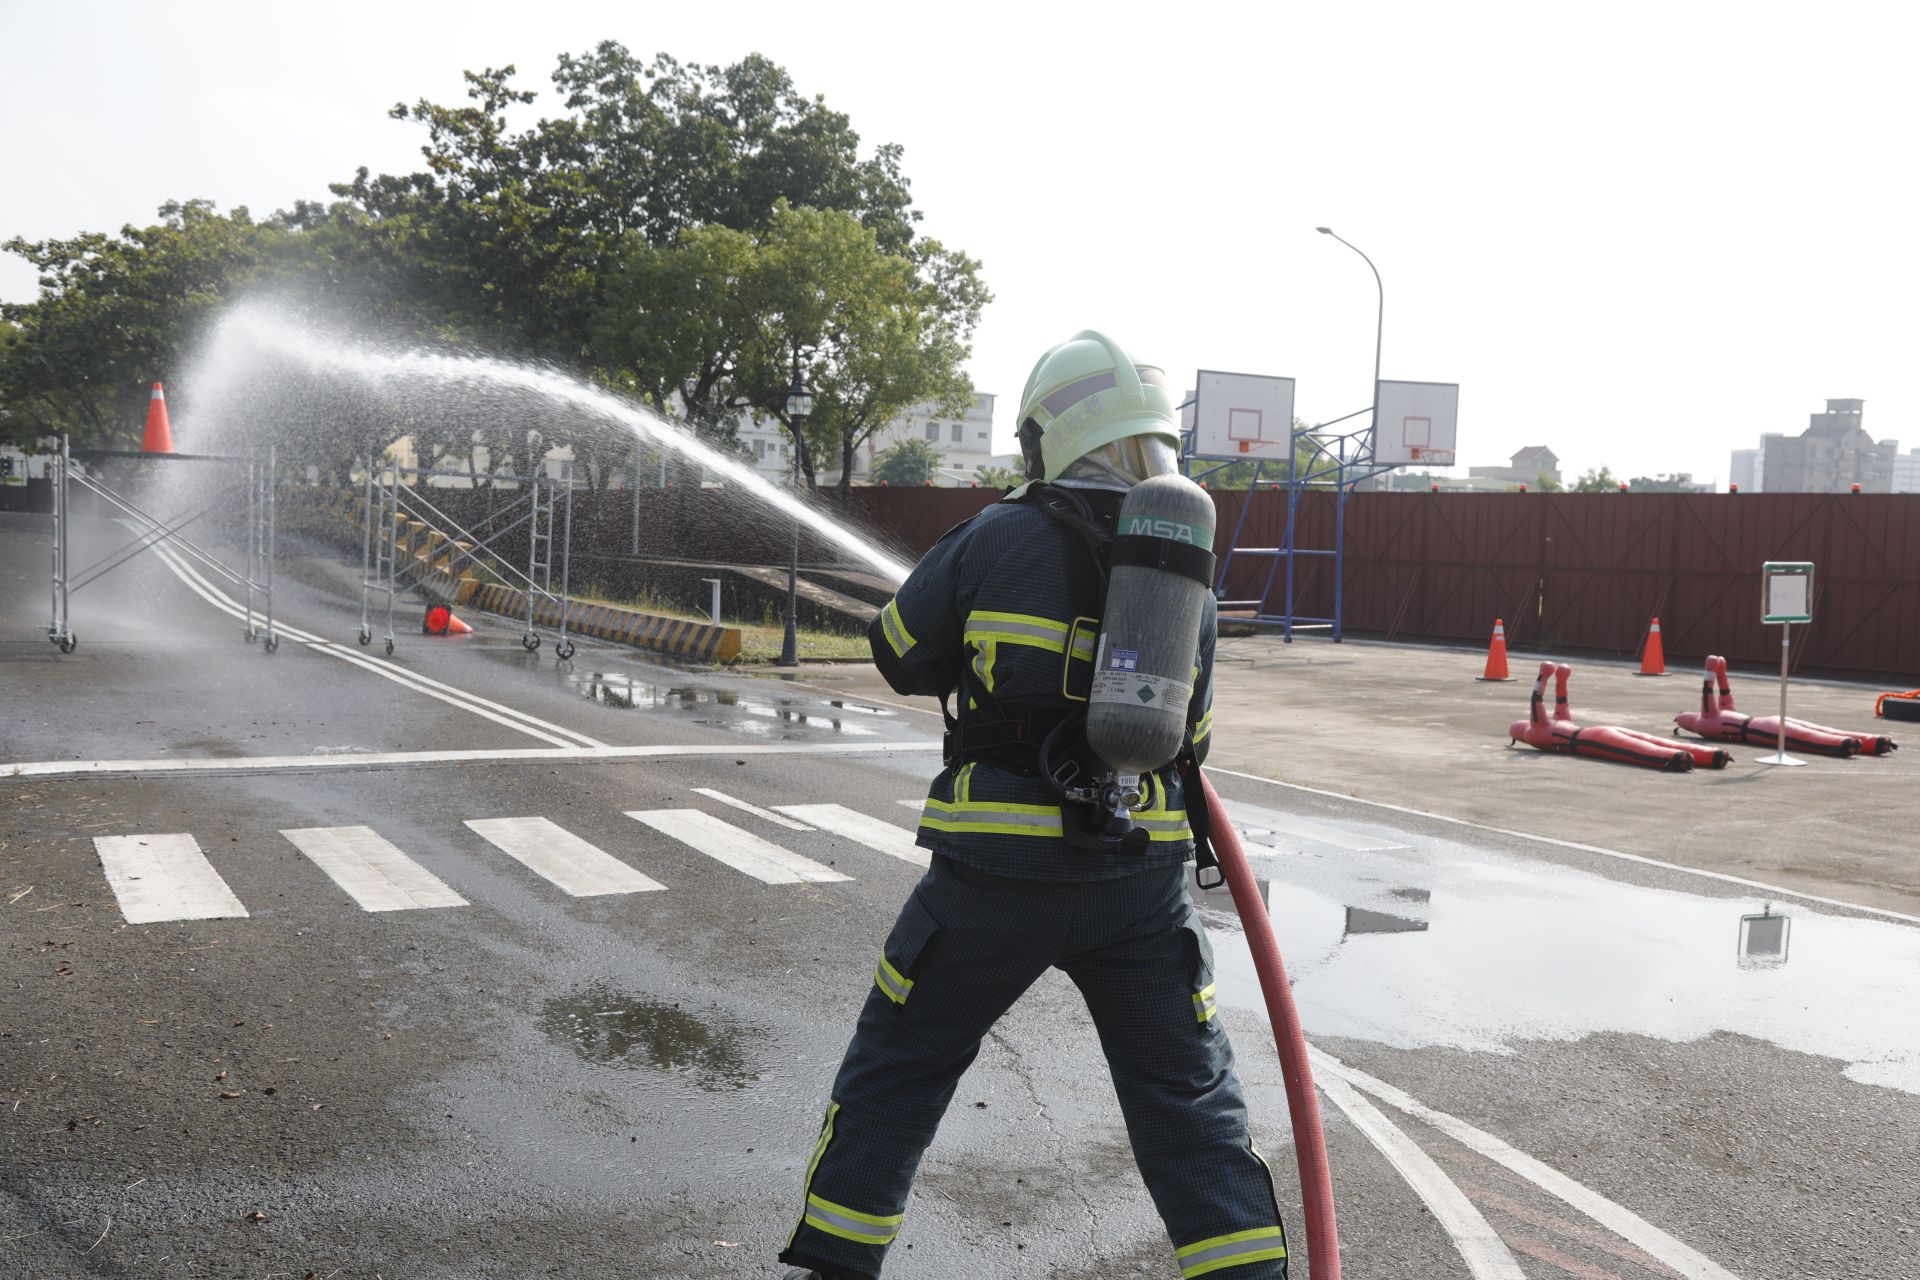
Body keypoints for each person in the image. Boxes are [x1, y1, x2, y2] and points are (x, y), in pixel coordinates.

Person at [778, 332, 1288, 1280]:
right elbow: (1197, 736)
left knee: (903, 1062)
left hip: (996, 875)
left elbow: (897, 652)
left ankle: (838, 1265)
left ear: (1049, 434)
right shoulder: (1184, 577)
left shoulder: (997, 534)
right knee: (1189, 1104)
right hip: (1142, 880)